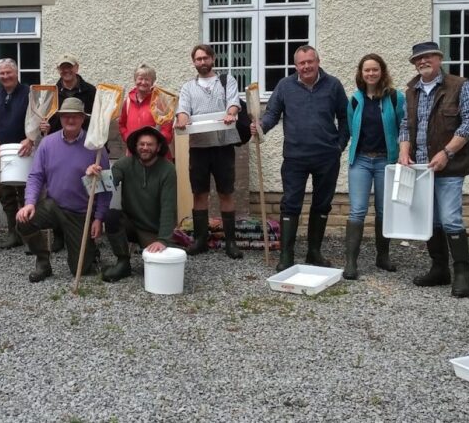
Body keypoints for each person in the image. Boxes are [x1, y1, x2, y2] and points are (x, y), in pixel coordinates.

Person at [252, 45, 349, 272]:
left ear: (317, 61)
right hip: (295, 156)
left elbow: (346, 118)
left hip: (327, 156)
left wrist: (339, 146)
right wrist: (260, 127)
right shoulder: (285, 86)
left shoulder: (333, 85)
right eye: (301, 63)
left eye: (310, 62)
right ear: (295, 66)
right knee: (290, 204)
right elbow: (272, 114)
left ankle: (314, 252)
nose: (306, 66)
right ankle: (287, 255)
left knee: (322, 203)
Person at [398, 41, 469, 298]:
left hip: (449, 166)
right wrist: (403, 151)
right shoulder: (411, 91)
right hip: (421, 168)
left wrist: (447, 153)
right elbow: (405, 124)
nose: (422, 62)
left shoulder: (460, 85)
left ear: (439, 59)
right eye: (417, 59)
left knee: (450, 219)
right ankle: (439, 270)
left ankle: (462, 274)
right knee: (430, 220)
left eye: (427, 57)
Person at [16, 97, 111, 282]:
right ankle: (43, 262)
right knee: (24, 220)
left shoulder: (96, 148)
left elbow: (105, 188)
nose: (70, 120)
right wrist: (29, 203)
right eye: (66, 116)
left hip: (80, 213)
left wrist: (99, 218)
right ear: (60, 118)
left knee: (80, 269)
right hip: (54, 207)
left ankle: (91, 251)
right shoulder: (47, 144)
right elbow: (36, 176)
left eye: (75, 116)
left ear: (83, 118)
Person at [173, 44, 243, 260]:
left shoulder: (226, 80)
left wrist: (231, 113)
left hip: (223, 145)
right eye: (198, 59)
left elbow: (234, 102)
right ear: (193, 62)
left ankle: (231, 242)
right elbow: (183, 109)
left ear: (212, 59)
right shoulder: (188, 87)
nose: (202, 62)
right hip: (199, 148)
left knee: (226, 192)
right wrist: (182, 119)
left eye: (205, 58)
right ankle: (201, 240)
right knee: (199, 193)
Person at [86, 126, 176, 282]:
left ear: (158, 147)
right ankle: (123, 262)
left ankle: (155, 245)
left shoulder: (168, 169)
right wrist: (92, 175)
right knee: (112, 215)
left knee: (161, 268)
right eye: (142, 144)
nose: (145, 148)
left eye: (150, 144)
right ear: (135, 146)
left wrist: (162, 240)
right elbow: (104, 185)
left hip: (153, 229)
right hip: (131, 224)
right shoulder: (125, 164)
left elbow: (169, 207)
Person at [343, 54, 405, 280]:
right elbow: (352, 128)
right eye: (366, 70)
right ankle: (351, 262)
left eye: (375, 70)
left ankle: (383, 256)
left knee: (383, 210)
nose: (370, 74)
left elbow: (404, 127)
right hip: (360, 161)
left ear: (382, 72)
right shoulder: (355, 100)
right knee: (357, 210)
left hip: (385, 161)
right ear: (361, 73)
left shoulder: (396, 98)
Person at [39, 54, 96, 252]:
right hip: (58, 146)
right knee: (57, 190)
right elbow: (45, 119)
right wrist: (43, 127)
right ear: (59, 70)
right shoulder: (51, 92)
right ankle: (59, 235)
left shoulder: (90, 91)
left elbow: (96, 119)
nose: (66, 71)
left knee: (86, 189)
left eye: (69, 67)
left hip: (84, 145)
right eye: (62, 68)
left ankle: (87, 230)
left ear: (76, 68)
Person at [0, 58, 32, 250]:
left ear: (16, 73)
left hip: (24, 151)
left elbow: (37, 120)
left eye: (8, 72)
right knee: (4, 192)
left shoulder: (29, 93)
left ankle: (29, 235)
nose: (5, 76)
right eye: (2, 73)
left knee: (25, 193)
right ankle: (13, 233)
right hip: (0, 152)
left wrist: (31, 139)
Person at [118, 64, 174, 159]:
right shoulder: (127, 102)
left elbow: (167, 128)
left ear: (152, 82)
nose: (143, 82)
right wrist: (128, 139)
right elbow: (122, 124)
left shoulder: (160, 101)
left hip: (156, 155)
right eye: (140, 78)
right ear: (135, 80)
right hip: (134, 153)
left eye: (147, 79)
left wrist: (157, 144)